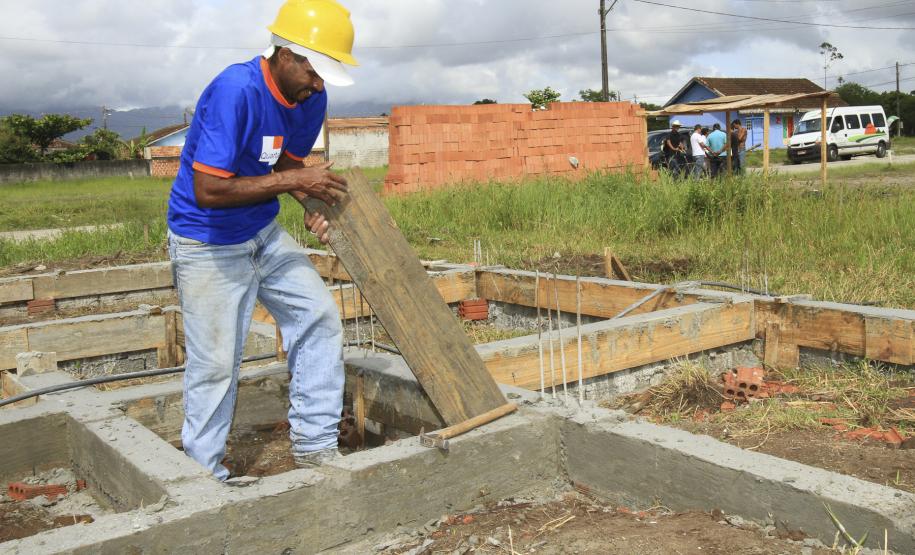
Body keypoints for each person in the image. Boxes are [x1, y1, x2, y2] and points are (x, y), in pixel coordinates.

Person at [166, 0, 358, 481]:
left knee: (318, 317)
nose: (319, 84)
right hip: (206, 241)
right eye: (316, 71)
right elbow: (209, 190)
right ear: (287, 54)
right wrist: (297, 183)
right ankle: (203, 477)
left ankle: (315, 447)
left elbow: (288, 167)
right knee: (215, 364)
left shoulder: (311, 99)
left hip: (261, 233)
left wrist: (313, 203)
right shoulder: (237, 91)